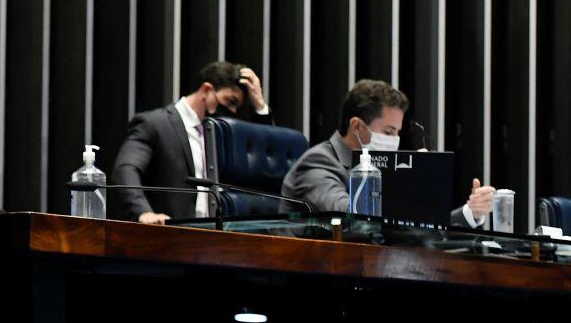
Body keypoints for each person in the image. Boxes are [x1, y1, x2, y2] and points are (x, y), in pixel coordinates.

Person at [280, 79, 494, 226]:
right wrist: (408, 184)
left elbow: (412, 226)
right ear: (357, 126)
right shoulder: (318, 162)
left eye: (398, 133)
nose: (395, 140)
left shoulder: (381, 167)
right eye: (388, 132)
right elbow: (350, 214)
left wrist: (470, 212)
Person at [112, 61, 272, 223]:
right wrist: (143, 212)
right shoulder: (155, 124)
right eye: (230, 101)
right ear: (207, 89)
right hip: (171, 230)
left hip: (218, 232)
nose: (232, 111)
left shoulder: (223, 136)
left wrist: (260, 106)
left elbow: (264, 162)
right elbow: (126, 169)